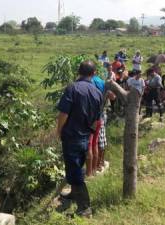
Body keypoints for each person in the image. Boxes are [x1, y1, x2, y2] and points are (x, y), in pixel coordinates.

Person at [56, 60, 102, 217]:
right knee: (75, 167)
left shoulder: (73, 88)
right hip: (85, 136)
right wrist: (89, 133)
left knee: (75, 171)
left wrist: (59, 130)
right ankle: (74, 195)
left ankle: (84, 208)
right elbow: (97, 120)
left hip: (71, 136)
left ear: (78, 72)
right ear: (94, 73)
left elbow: (63, 113)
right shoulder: (97, 93)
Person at [86, 74, 105, 177]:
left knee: (89, 145)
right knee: (95, 144)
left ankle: (89, 174)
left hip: (91, 119)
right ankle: (94, 170)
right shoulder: (101, 81)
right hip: (99, 117)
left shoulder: (90, 82)